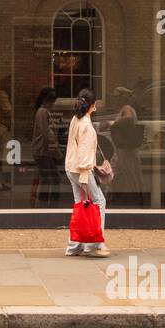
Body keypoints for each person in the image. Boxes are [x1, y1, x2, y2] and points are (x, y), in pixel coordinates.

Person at [64, 88, 111, 257]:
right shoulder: (86, 126)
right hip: (81, 170)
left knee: (80, 205)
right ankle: (96, 244)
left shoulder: (75, 120)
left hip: (71, 167)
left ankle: (75, 245)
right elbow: (84, 156)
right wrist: (85, 177)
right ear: (93, 106)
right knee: (99, 201)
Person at [107, 86, 145, 205]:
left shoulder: (127, 108)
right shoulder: (124, 109)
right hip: (121, 149)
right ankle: (115, 196)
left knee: (131, 175)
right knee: (114, 172)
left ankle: (136, 200)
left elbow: (128, 119)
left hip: (126, 149)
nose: (114, 99)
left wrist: (111, 124)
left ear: (122, 98)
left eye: (116, 97)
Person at [31, 87, 62, 207]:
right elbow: (46, 135)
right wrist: (56, 152)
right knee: (53, 179)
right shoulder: (42, 112)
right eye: (52, 101)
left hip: (43, 151)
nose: (53, 104)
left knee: (47, 178)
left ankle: (44, 205)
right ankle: (50, 205)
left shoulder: (43, 112)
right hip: (43, 151)